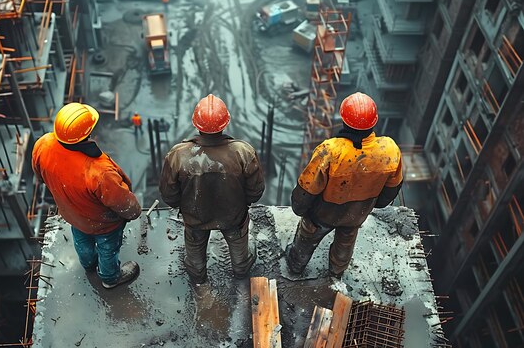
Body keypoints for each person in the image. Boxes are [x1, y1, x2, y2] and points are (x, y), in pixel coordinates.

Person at [286, 92, 403, 278]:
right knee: (345, 242)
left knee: (307, 239)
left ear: (344, 120)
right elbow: (390, 191)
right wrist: (367, 206)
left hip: (323, 214)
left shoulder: (331, 150)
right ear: (374, 122)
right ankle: (336, 272)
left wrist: (299, 208)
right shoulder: (389, 150)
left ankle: (296, 265)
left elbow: (307, 189)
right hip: (357, 214)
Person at [32, 103, 142, 289]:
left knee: (82, 240)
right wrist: (134, 212)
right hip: (103, 224)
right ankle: (109, 278)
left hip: (72, 215)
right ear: (87, 133)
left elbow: (40, 175)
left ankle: (89, 264)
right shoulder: (98, 171)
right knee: (107, 249)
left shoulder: (43, 145)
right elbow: (126, 205)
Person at [159, 94, 265, 284]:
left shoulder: (178, 155)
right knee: (239, 251)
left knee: (195, 254)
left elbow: (169, 195)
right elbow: (256, 191)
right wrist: (243, 203)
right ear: (224, 124)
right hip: (233, 217)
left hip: (195, 218)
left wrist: (186, 207)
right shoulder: (243, 152)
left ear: (196, 125)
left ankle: (198, 277)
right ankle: (241, 271)